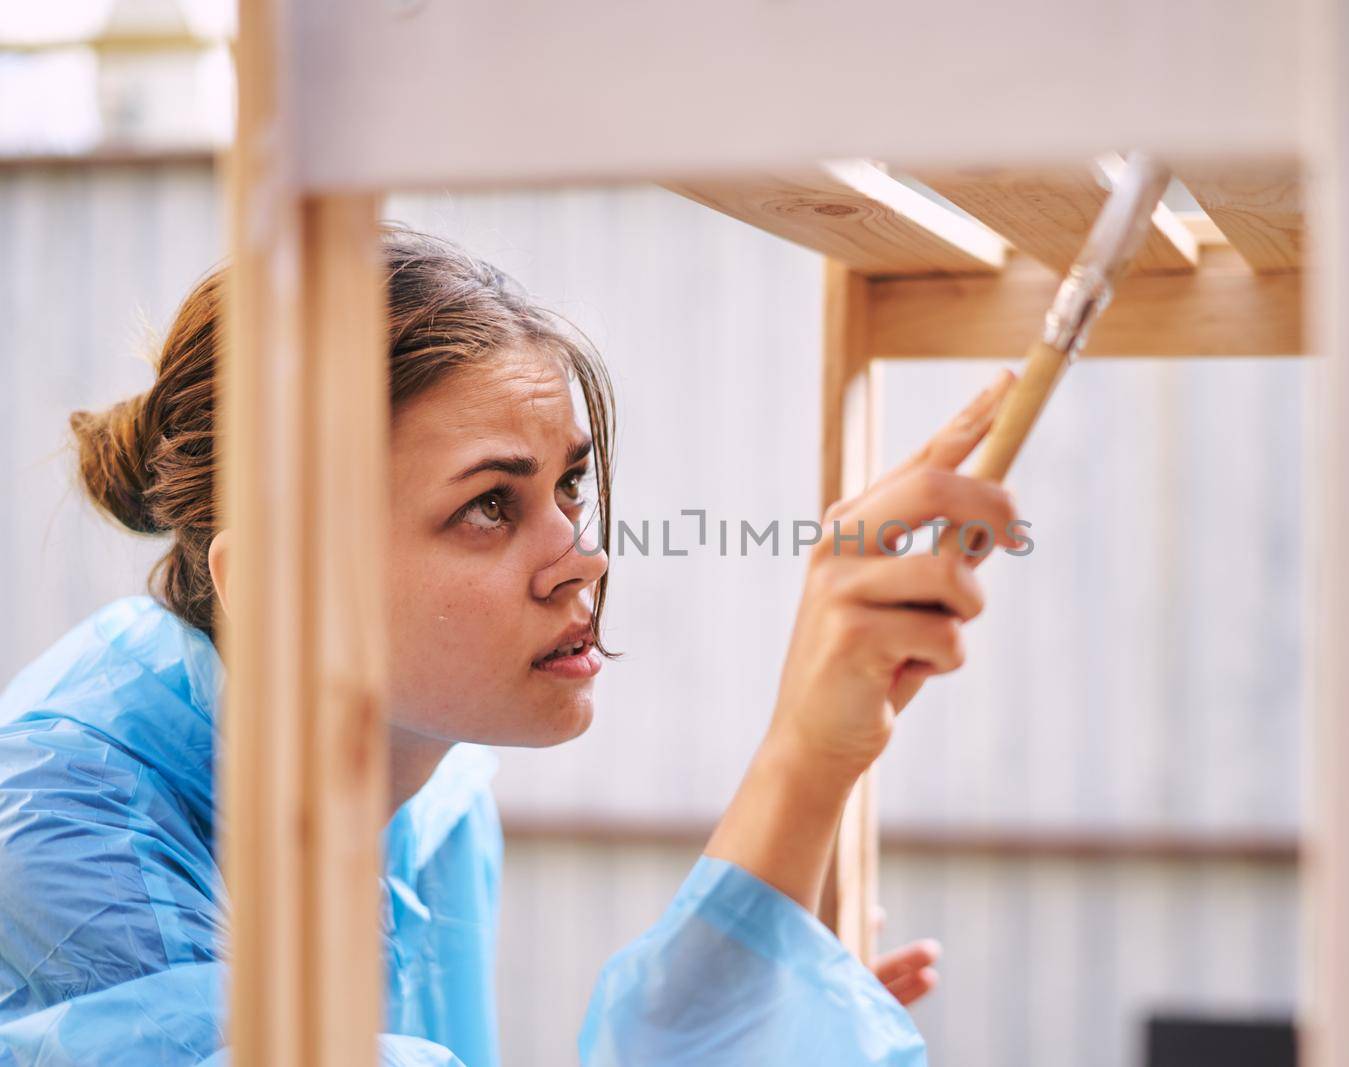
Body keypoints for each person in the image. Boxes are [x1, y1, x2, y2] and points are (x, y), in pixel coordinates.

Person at [0, 228, 1020, 1066]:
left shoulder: (428, 786)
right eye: (490, 503)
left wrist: (778, 1006)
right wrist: (802, 764)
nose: (583, 559)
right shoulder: (62, 835)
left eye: (569, 483)